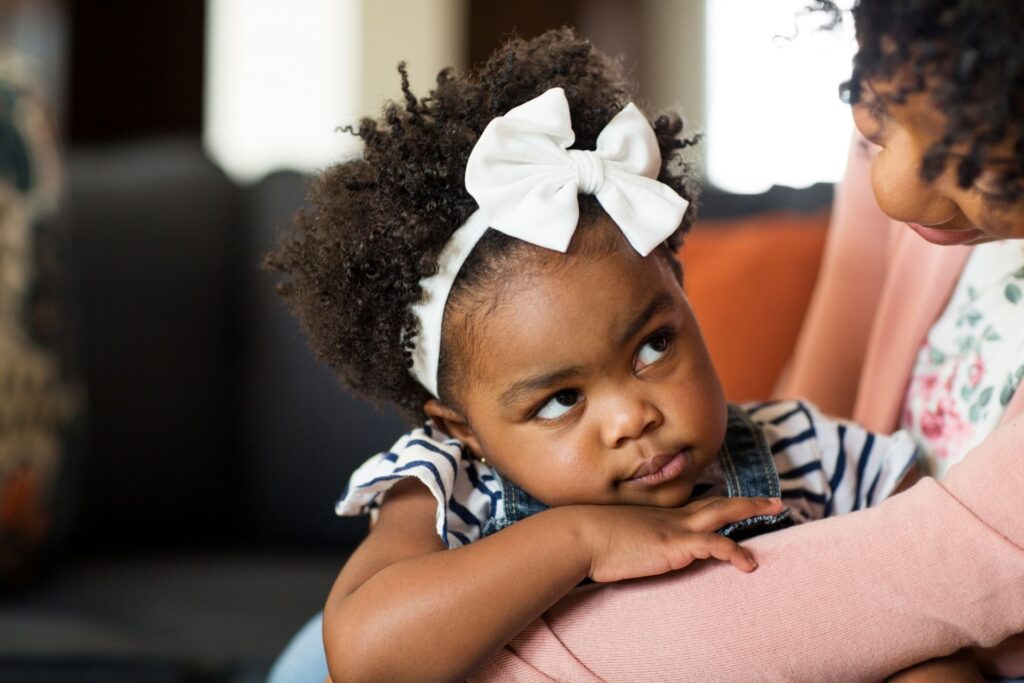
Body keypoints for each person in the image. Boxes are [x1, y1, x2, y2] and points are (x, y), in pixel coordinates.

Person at [269, 2, 1024, 680]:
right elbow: (368, 655)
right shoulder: (449, 481)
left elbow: (921, 618)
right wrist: (580, 540)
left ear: (684, 301)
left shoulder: (808, 453)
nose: (632, 415)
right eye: (562, 398)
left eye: (654, 348)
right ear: (462, 425)